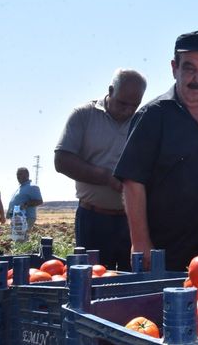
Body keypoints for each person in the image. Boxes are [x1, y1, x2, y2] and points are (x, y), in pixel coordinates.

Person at [114, 31, 198, 271]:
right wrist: (141, 243)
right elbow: (132, 182)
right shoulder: (153, 116)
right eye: (189, 68)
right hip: (166, 254)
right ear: (174, 68)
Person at [54, 68, 147, 271]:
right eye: (123, 103)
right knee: (91, 283)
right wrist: (106, 177)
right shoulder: (84, 115)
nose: (128, 110)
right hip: (93, 219)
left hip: (131, 221)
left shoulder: (143, 121)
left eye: (135, 105)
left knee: (131, 286)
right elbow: (62, 160)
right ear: (111, 90)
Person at [7, 168, 43, 232]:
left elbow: (39, 201)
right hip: (16, 218)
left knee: (21, 238)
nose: (18, 176)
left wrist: (25, 204)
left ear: (27, 175)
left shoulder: (32, 186)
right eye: (17, 174)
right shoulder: (20, 188)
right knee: (17, 238)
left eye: (20, 174)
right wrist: (8, 213)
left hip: (26, 218)